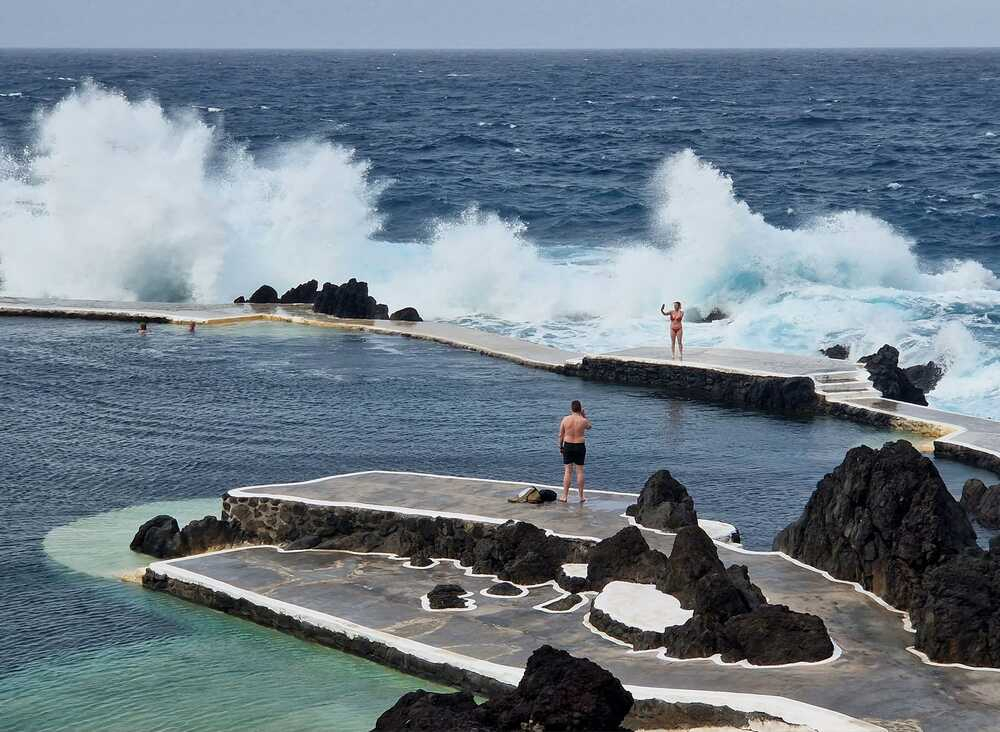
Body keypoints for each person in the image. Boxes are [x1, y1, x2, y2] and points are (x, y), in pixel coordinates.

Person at [558, 400, 592, 503]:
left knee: (568, 471)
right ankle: (581, 497)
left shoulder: (565, 419)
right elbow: (589, 427)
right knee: (580, 471)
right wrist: (584, 416)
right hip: (580, 445)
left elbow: (561, 435)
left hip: (568, 445)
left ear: (571, 409)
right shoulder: (583, 420)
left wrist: (561, 447)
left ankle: (564, 496)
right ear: (580, 409)